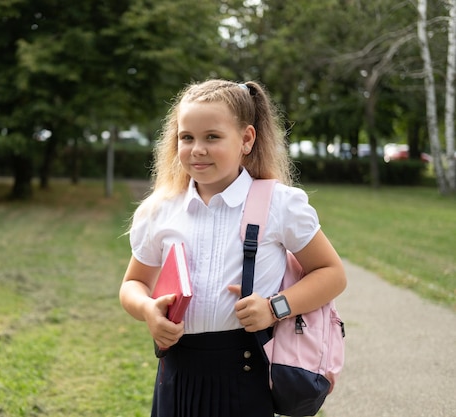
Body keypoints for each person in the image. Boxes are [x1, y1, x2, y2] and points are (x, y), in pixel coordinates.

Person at [119, 79, 347, 417]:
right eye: (187, 137)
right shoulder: (160, 210)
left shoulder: (279, 204)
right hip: (176, 376)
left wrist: (275, 308)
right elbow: (132, 284)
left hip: (246, 377)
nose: (197, 149)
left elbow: (332, 274)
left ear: (246, 139)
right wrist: (147, 310)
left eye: (212, 137)